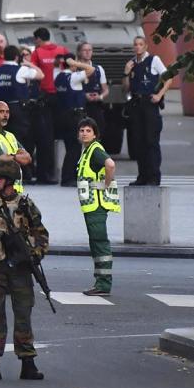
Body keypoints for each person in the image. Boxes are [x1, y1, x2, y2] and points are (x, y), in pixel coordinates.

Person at [0, 159, 49, 381]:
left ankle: (28, 361)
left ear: (11, 180)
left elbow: (41, 232)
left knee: (23, 313)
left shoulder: (25, 204)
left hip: (20, 268)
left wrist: (35, 253)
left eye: (0, 178)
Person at [76, 117, 120, 296]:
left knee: (100, 243)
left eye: (88, 130)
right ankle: (100, 282)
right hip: (91, 206)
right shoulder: (87, 151)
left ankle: (103, 284)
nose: (84, 133)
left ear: (95, 134)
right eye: (82, 130)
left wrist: (106, 184)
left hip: (96, 205)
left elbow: (110, 164)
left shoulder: (94, 150)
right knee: (96, 243)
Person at [123, 36, 173, 185]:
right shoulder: (131, 63)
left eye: (140, 45)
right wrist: (126, 72)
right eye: (135, 45)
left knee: (151, 141)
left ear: (145, 46)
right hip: (136, 103)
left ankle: (153, 176)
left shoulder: (153, 60)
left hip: (149, 103)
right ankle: (142, 175)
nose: (137, 47)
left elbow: (168, 77)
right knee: (138, 141)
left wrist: (159, 94)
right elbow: (125, 87)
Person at [0, 45, 43, 177]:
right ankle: (23, 172)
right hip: (18, 110)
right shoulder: (20, 70)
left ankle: (6, 170)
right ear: (16, 57)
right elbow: (40, 75)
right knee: (20, 140)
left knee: (5, 140)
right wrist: (28, 63)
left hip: (0, 109)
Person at [30, 28, 70, 184]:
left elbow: (33, 72)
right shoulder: (62, 50)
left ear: (38, 39)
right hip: (62, 96)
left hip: (45, 97)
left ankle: (45, 173)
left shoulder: (37, 52)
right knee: (65, 137)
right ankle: (62, 172)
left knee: (45, 137)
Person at [55, 54, 95, 186]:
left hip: (62, 114)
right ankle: (68, 177)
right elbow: (91, 69)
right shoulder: (73, 77)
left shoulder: (58, 76)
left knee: (70, 146)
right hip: (74, 116)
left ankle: (69, 176)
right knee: (75, 148)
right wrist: (77, 64)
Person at [77, 42, 109, 144]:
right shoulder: (75, 69)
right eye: (84, 50)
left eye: (89, 50)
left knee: (98, 132)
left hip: (95, 105)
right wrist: (84, 95)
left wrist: (100, 97)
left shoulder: (99, 69)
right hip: (80, 106)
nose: (87, 52)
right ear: (79, 52)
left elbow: (105, 89)